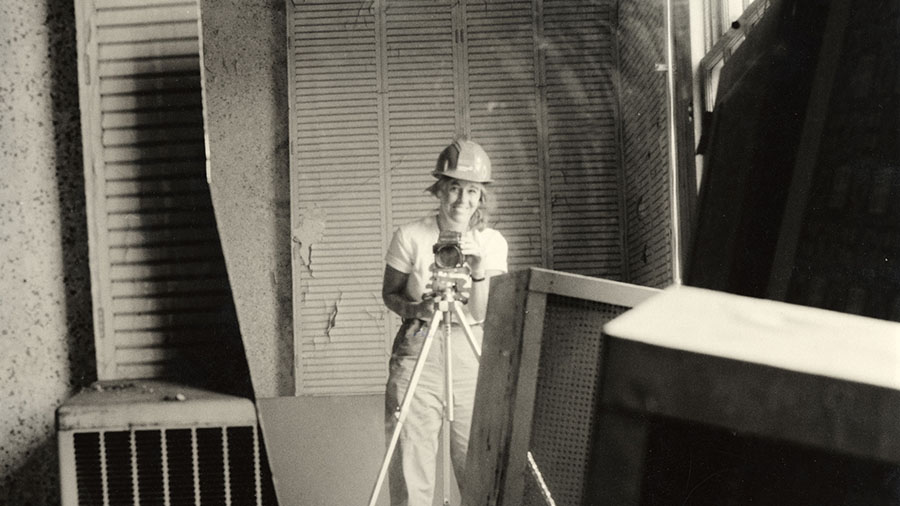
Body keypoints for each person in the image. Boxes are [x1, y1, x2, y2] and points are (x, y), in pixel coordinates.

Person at [382, 139, 509, 505]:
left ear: (481, 196)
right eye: (454, 188)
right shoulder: (410, 235)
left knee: (477, 458)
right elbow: (390, 295)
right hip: (420, 343)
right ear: (440, 189)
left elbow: (482, 315)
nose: (462, 200)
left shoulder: (491, 242)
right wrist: (415, 308)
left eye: (471, 191)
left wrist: (479, 271)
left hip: (470, 346)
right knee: (411, 456)